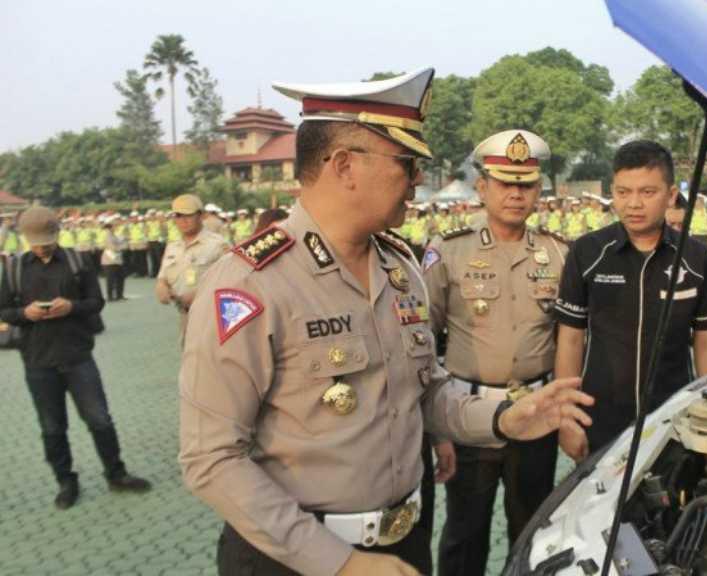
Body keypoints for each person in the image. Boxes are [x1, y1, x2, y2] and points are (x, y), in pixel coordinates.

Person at [177, 69, 593, 576]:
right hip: (296, 560)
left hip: (403, 543)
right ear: (345, 165)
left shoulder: (400, 268)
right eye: (407, 163)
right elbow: (212, 460)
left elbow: (423, 393)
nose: (419, 180)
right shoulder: (249, 284)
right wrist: (341, 563)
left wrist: (504, 417)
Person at [423, 129, 569, 576]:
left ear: (539, 190)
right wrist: (437, 429)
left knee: (531, 530)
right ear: (482, 186)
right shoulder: (447, 251)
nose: (516, 194)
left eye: (525, 185)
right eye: (504, 183)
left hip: (536, 414)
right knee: (465, 535)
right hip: (470, 417)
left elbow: (570, 337)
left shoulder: (559, 253)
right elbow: (423, 343)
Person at [554, 140, 707, 462]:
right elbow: (571, 338)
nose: (633, 203)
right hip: (600, 418)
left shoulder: (696, 257)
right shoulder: (588, 252)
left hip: (674, 417)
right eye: (623, 192)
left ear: (671, 195)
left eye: (647, 192)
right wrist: (566, 417)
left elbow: (706, 342)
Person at [0, 206, 151, 510]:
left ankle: (116, 473)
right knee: (52, 426)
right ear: (27, 238)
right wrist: (24, 314)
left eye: (48, 240)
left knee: (99, 418)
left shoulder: (76, 261)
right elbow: (3, 311)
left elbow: (96, 302)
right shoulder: (14, 268)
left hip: (78, 355)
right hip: (38, 360)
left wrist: (71, 307)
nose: (43, 246)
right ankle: (66, 482)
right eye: (37, 241)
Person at [156, 194, 231, 344]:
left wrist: (200, 294)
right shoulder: (173, 246)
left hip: (213, 317)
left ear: (201, 216)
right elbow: (163, 277)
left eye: (188, 215)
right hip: (185, 316)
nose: (183, 220)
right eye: (178, 215)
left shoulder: (217, 245)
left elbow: (232, 280)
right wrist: (161, 286)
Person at [100, 218, 127, 301]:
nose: (116, 227)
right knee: (110, 279)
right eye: (114, 226)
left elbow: (120, 242)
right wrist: (123, 246)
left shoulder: (114, 235)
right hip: (109, 260)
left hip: (117, 260)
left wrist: (123, 241)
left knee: (120, 277)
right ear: (110, 227)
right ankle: (110, 296)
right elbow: (113, 247)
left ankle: (119, 295)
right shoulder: (107, 235)